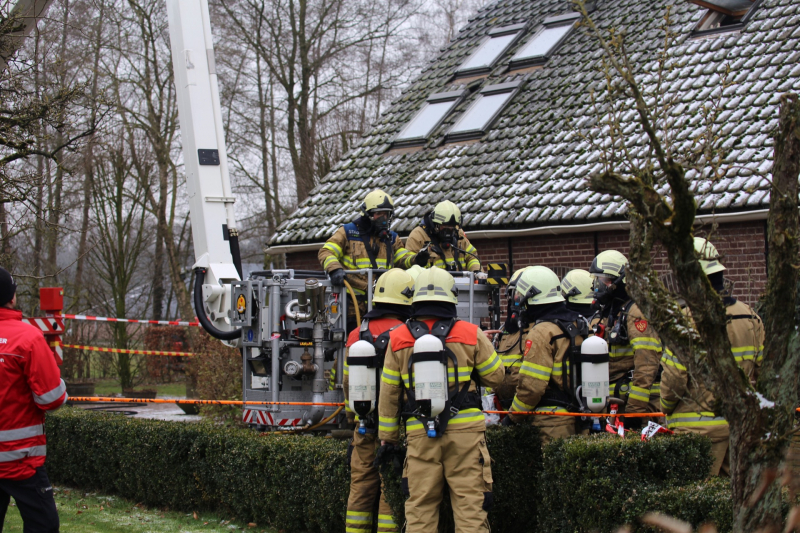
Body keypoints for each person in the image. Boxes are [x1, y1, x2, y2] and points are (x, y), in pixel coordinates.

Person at [377, 267, 505, 532]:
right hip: (467, 434)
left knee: (420, 510)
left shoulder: (397, 338)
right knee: (471, 509)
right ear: (452, 296)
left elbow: (389, 393)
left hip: (420, 432)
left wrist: (388, 437)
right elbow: (496, 377)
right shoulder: (471, 333)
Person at [659, 238, 764, 476]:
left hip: (697, 435)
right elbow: (763, 374)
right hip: (739, 428)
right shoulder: (750, 317)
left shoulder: (685, 321)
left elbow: (674, 379)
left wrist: (666, 407)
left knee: (699, 497)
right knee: (734, 494)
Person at [343, 269, 415, 533]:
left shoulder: (356, 334)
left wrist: (353, 419)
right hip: (395, 428)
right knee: (389, 486)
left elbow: (348, 383)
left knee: (360, 485)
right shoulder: (407, 334)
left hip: (363, 424)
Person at [0, 267, 67, 533]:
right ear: (12, 297)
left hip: (19, 459)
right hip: (21, 460)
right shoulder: (28, 338)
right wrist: (61, 385)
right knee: (44, 526)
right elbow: (52, 398)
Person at [319, 189, 427, 330]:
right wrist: (334, 269)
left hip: (382, 306)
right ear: (367, 214)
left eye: (386, 214)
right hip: (352, 306)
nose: (384, 218)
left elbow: (402, 258)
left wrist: (416, 259)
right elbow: (326, 251)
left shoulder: (392, 238)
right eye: (379, 214)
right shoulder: (348, 232)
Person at [503, 266, 588, 442]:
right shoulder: (579, 324)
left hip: (551, 421)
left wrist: (512, 417)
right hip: (582, 416)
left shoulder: (541, 332)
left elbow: (531, 387)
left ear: (532, 296)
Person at [589, 250, 662, 426]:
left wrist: (634, 414)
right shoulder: (608, 313)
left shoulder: (636, 312)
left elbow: (646, 364)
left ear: (618, 282)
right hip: (614, 405)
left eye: (602, 279)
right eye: (596, 279)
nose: (597, 285)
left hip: (636, 407)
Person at [491, 266, 533, 405]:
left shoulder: (539, 332)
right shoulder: (505, 332)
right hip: (504, 408)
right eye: (513, 294)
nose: (515, 300)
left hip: (526, 410)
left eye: (519, 295)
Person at [405, 201, 480, 272]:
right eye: (445, 226)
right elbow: (406, 264)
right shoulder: (418, 236)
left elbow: (472, 256)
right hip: (430, 281)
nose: (449, 230)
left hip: (458, 281)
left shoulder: (458, 233)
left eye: (452, 226)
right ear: (435, 224)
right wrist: (416, 260)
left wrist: (477, 271)